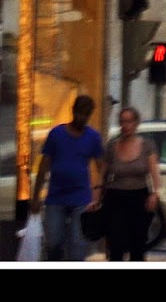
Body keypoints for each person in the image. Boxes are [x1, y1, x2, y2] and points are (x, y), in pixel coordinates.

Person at [31, 93, 106, 261]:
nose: (82, 118)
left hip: (81, 198)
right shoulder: (57, 134)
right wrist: (35, 197)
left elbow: (102, 167)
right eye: (80, 113)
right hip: (56, 197)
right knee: (53, 241)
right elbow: (44, 166)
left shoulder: (93, 137)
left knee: (78, 245)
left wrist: (99, 196)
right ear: (73, 111)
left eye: (86, 115)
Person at [100, 105, 162, 262]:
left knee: (138, 244)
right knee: (116, 245)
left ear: (136, 123)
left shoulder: (147, 145)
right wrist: (96, 199)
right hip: (115, 197)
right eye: (122, 122)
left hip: (139, 196)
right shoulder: (112, 146)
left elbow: (154, 173)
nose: (125, 125)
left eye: (129, 121)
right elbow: (102, 176)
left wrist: (155, 194)